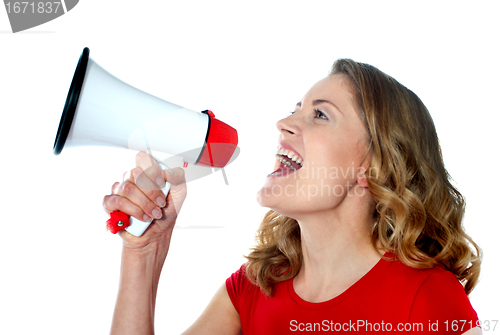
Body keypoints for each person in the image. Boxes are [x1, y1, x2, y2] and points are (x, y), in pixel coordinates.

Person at [103, 59, 482, 334]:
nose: (284, 124)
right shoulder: (254, 287)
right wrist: (143, 253)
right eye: (295, 109)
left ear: (373, 167)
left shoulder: (427, 299)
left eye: (320, 115)